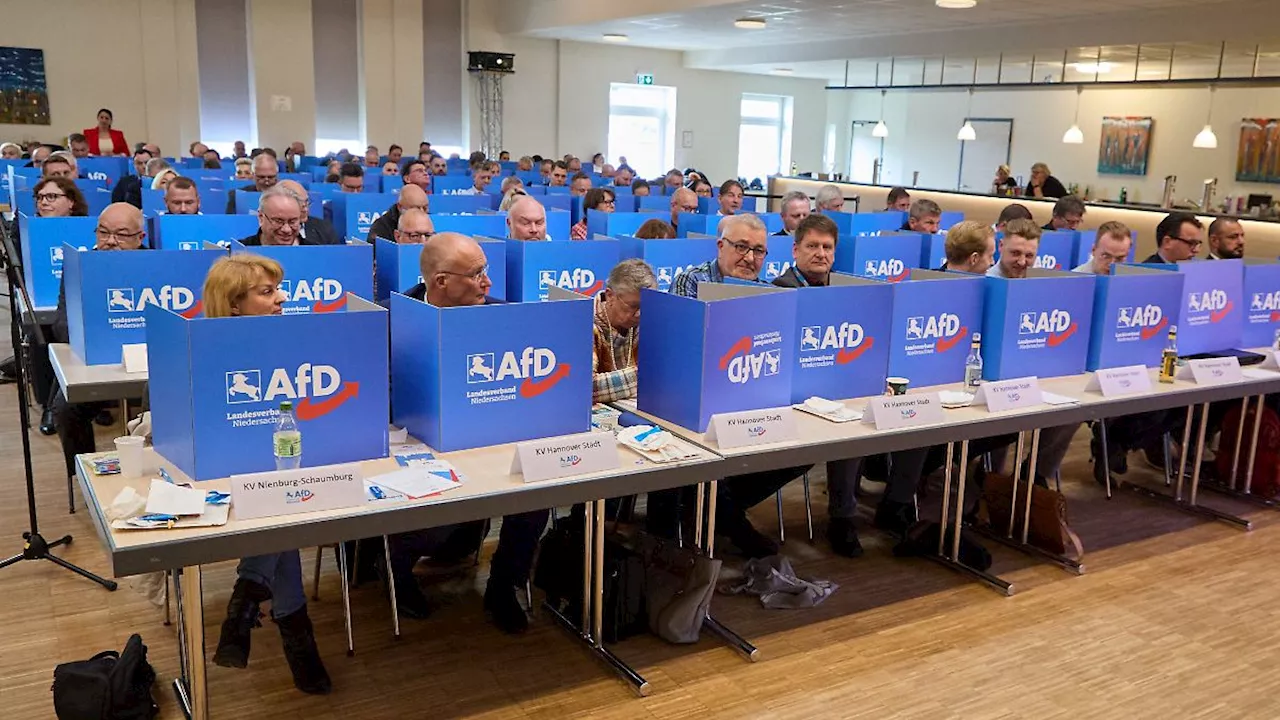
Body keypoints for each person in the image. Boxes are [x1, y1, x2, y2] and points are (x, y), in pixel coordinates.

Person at [391, 233, 543, 632]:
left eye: (486, 271)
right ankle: (395, 570)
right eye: (476, 274)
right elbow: (386, 399)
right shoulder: (392, 319)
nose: (487, 283)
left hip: (488, 433)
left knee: (536, 495)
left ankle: (503, 586)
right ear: (440, 281)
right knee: (438, 508)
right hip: (417, 441)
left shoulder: (500, 314)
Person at [204, 254, 331, 696]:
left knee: (280, 494)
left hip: (297, 459)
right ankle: (295, 635)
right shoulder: (201, 347)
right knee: (278, 503)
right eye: (267, 292)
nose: (282, 298)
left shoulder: (295, 339)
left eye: (279, 288)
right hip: (223, 470)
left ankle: (247, 599)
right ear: (234, 305)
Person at [667, 214, 811, 557]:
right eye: (741, 247)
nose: (750, 258)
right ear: (721, 246)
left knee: (804, 448)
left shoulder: (768, 291)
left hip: (749, 392)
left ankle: (717, 509)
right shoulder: (692, 281)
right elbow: (683, 347)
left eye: (759, 251)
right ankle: (729, 520)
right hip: (694, 396)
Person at [50, 204, 146, 478]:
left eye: (121, 235)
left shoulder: (157, 264)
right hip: (94, 363)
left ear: (139, 238)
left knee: (163, 404)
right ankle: (84, 479)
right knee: (65, 409)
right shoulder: (79, 266)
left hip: (147, 363)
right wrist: (93, 337)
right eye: (103, 233)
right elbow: (61, 322)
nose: (110, 242)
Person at [592, 259, 655, 402]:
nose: (640, 313)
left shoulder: (651, 319)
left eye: (648, 305)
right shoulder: (584, 323)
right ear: (610, 296)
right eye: (633, 306)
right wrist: (648, 376)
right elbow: (585, 387)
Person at [240, 186, 311, 246]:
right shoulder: (239, 253)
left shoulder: (316, 252)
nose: (287, 229)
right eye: (278, 221)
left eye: (292, 222)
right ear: (261, 217)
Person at [277, 180, 341, 245]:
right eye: (299, 204)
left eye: (307, 202)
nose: (305, 209)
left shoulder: (324, 229)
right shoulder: (272, 231)